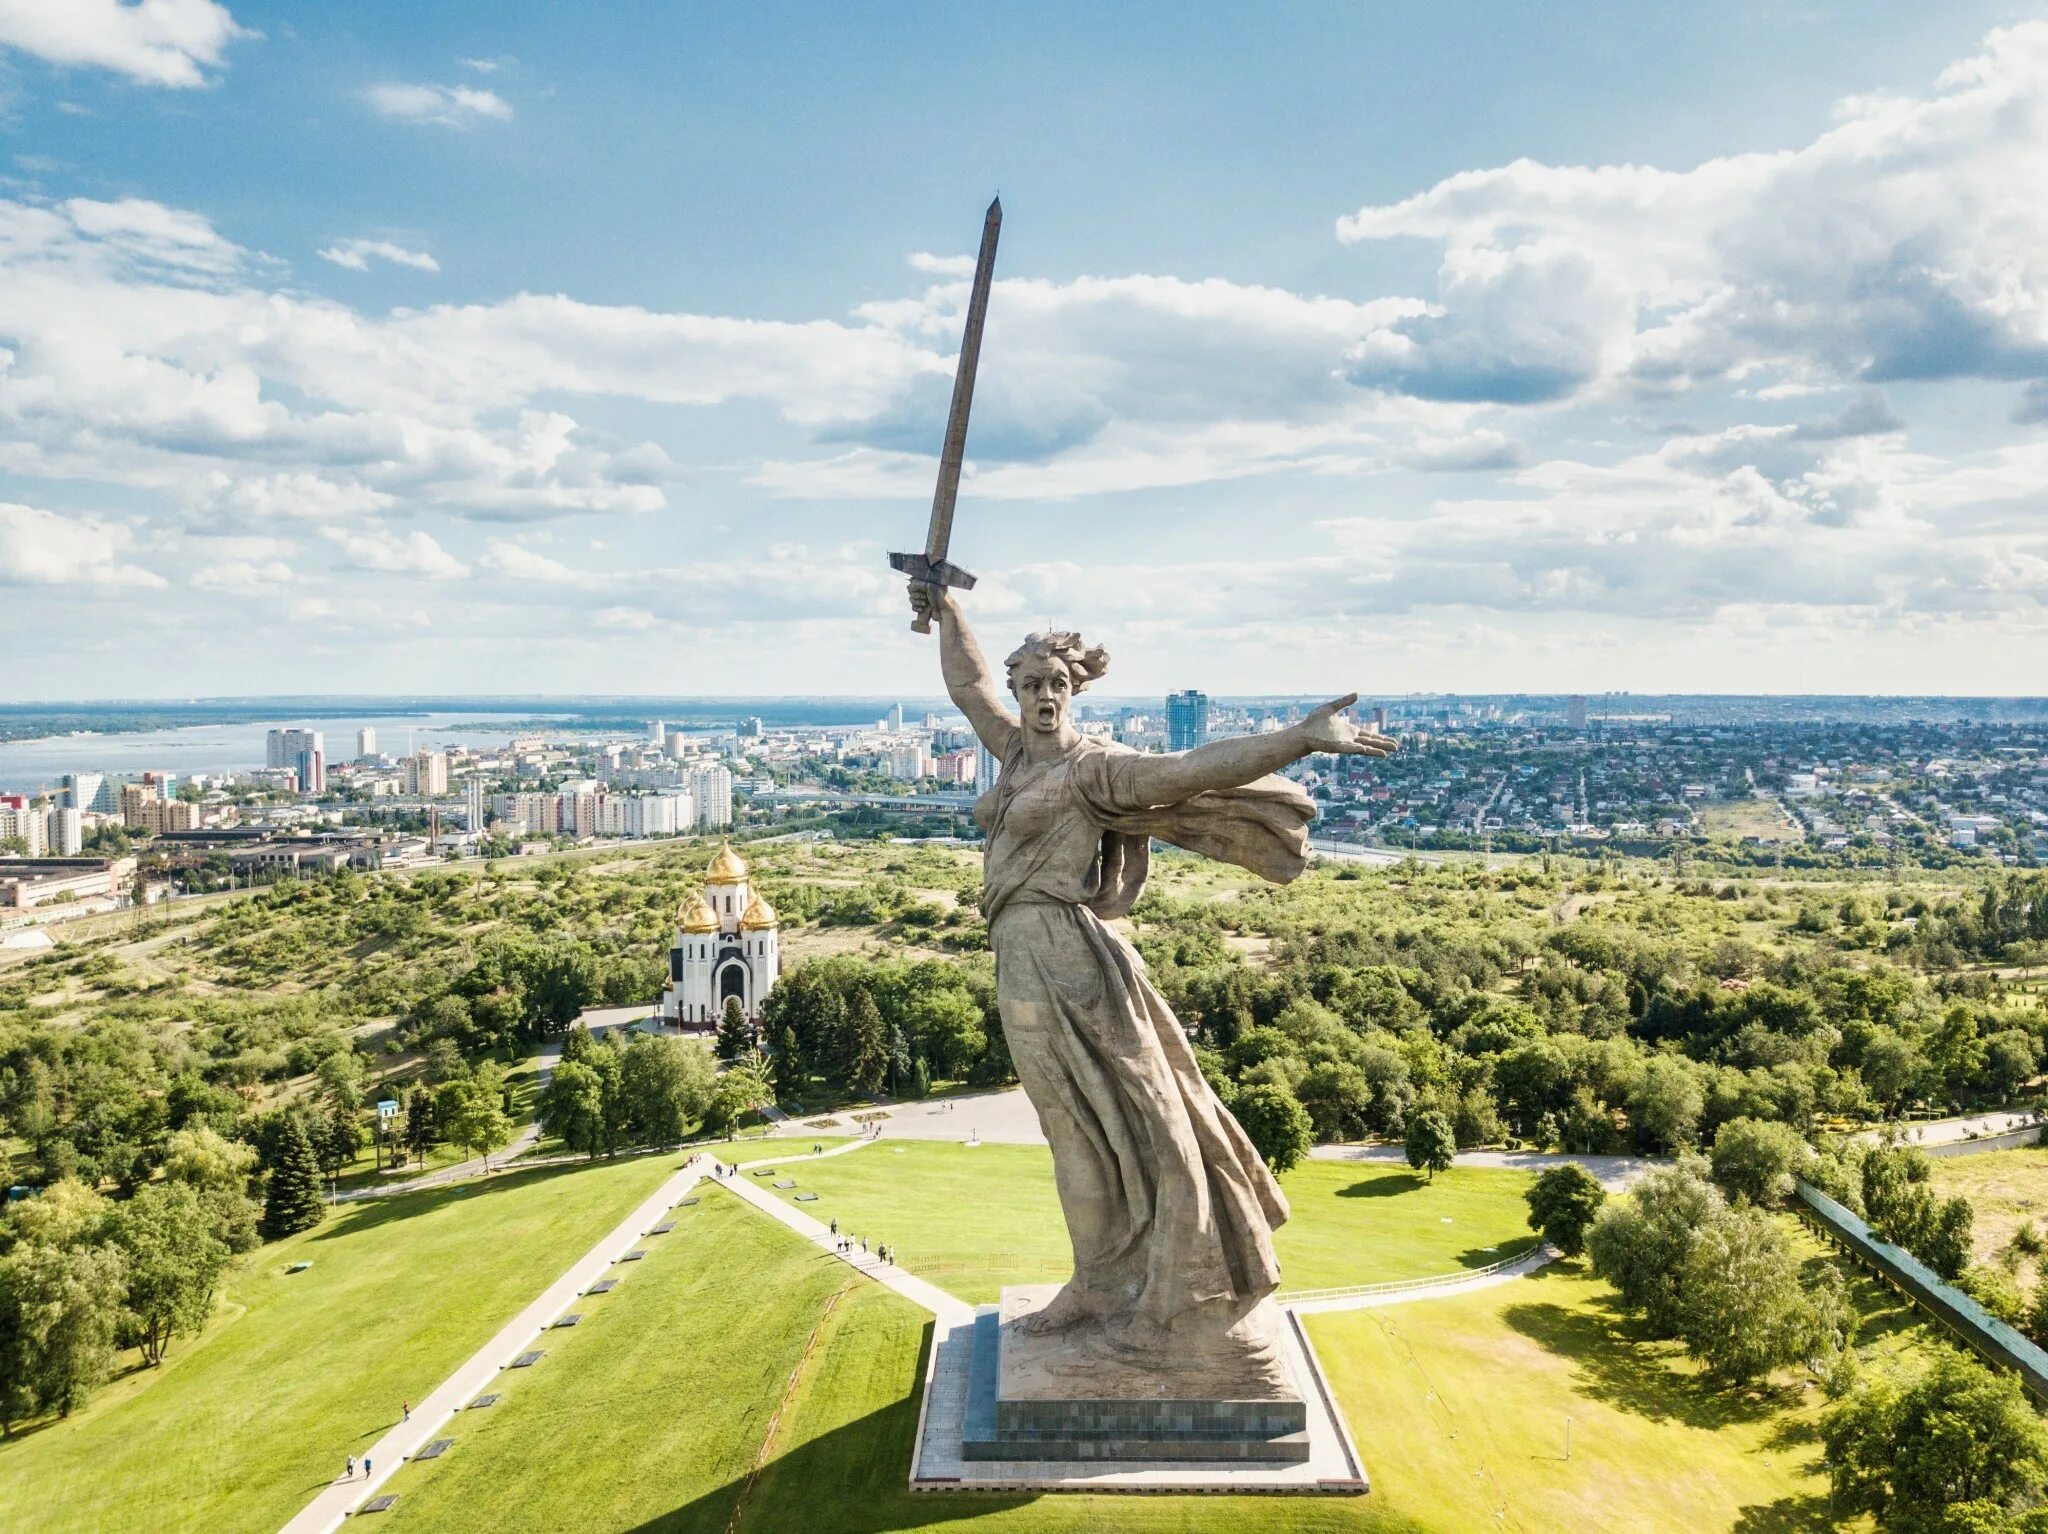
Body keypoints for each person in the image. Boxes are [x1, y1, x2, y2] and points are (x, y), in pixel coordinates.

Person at [908, 577, 1394, 1381]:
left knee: (1153, 1125)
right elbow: (967, 685)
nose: (1039, 697)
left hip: (1070, 958)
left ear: (1075, 690)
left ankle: (1179, 1293)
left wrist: (1300, 739)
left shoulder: (1097, 773)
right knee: (1073, 1134)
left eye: (1054, 685)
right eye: (1029, 685)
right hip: (1020, 956)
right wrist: (947, 605)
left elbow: (1195, 767)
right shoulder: (1016, 749)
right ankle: (1096, 1286)